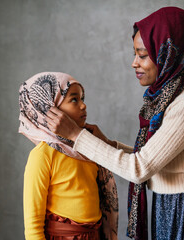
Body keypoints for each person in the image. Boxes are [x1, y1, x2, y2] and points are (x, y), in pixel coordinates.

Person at [45, 7, 184, 240]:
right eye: (135, 54)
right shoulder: (166, 97)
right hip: (173, 205)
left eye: (143, 55)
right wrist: (109, 144)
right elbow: (153, 159)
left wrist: (77, 136)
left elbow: (139, 169)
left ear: (167, 53)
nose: (134, 63)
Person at [18, 72, 118, 240]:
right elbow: (33, 224)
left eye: (82, 99)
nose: (83, 105)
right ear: (50, 108)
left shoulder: (89, 148)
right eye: (74, 99)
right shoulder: (43, 155)